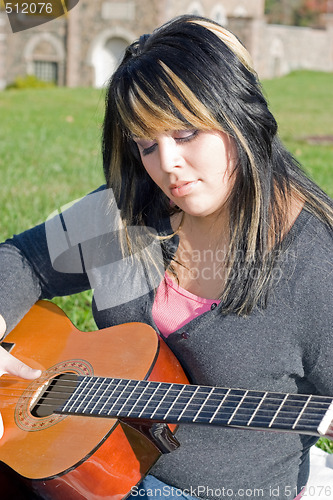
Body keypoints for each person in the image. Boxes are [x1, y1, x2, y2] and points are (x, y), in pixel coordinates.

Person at [0, 14, 332, 500]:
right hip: (86, 466)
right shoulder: (125, 212)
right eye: (147, 145)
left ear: (236, 114)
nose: (167, 165)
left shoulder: (315, 265)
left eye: (185, 134)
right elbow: (24, 259)